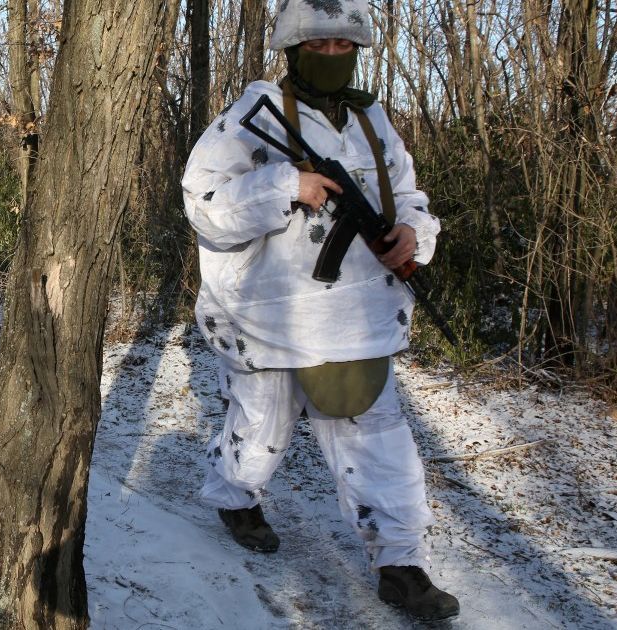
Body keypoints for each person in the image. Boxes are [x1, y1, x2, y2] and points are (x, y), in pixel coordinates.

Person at [181, 0, 459, 621]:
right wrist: (285, 186)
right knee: (260, 426)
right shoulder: (251, 117)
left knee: (380, 442)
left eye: (343, 46)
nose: (332, 55)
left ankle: (401, 565)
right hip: (269, 314)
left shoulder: (371, 120)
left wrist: (413, 234)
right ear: (293, 49)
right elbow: (204, 205)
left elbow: (407, 195)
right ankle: (236, 497)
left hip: (357, 316)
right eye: (318, 45)